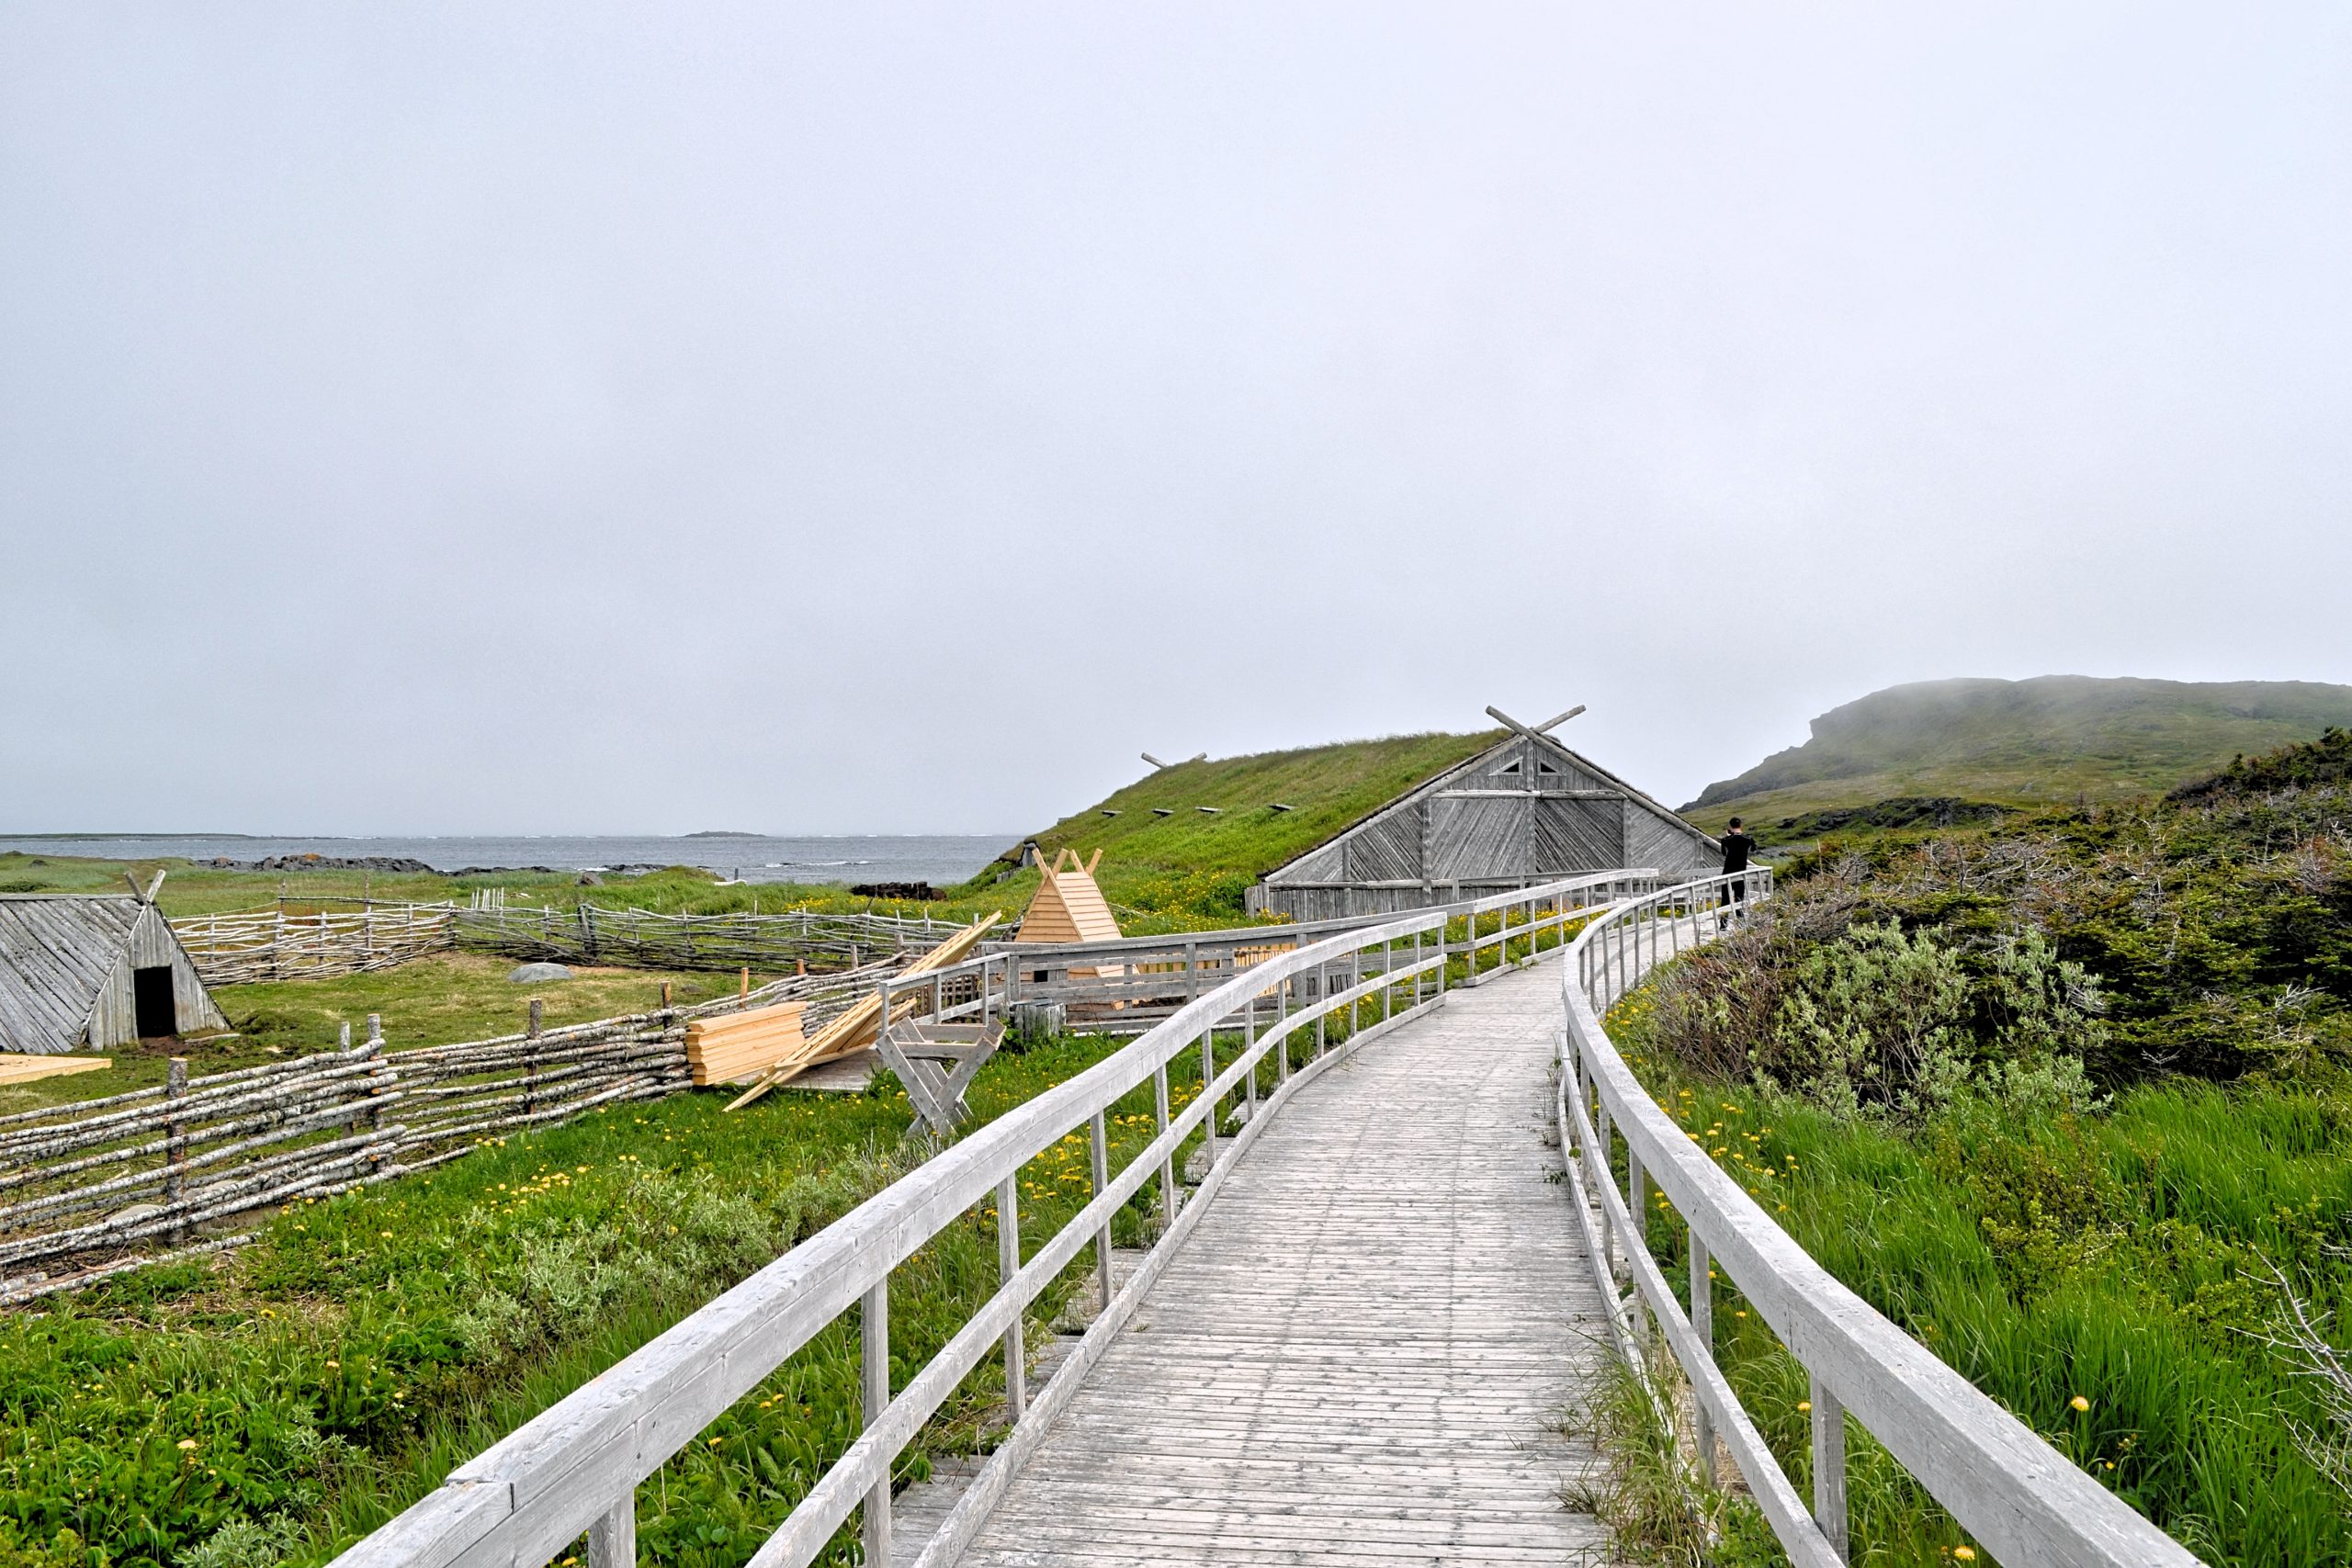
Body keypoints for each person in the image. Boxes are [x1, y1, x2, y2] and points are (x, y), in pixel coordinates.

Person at [1718, 818, 1757, 928]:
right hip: (1740, 871)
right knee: (1739, 897)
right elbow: (1754, 849)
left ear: (1730, 826)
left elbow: (1724, 853)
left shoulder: (1726, 840)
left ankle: (1723, 923)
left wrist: (1728, 836)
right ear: (1741, 825)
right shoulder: (1748, 839)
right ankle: (1740, 922)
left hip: (1727, 872)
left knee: (1725, 898)